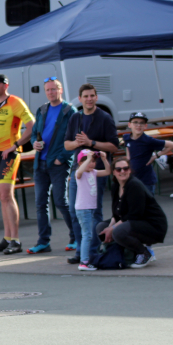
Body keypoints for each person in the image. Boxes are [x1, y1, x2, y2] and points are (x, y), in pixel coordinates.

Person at [64, 84, 119, 265]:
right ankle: (81, 252)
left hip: (96, 173)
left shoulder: (105, 118)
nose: (89, 99)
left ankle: (92, 252)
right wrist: (78, 143)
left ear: (96, 97)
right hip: (78, 171)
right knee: (75, 211)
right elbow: (67, 145)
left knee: (94, 212)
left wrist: (91, 143)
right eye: (86, 96)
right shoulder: (75, 117)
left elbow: (113, 146)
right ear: (79, 99)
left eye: (92, 96)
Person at [0, 74, 35, 255]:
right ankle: (7, 238)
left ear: (5, 85)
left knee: (6, 195)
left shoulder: (15, 102)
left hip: (9, 153)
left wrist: (16, 145)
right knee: (1, 196)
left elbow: (32, 126)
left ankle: (15, 240)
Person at [28, 77, 78, 254]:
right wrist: (34, 143)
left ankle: (76, 237)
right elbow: (34, 133)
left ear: (60, 90)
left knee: (61, 201)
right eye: (48, 90)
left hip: (58, 164)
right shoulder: (42, 109)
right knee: (40, 204)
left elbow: (76, 138)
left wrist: (61, 158)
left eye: (54, 89)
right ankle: (43, 242)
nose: (51, 92)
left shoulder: (70, 111)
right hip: (40, 162)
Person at [97, 156, 168, 269]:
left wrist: (113, 228)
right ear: (113, 172)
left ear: (130, 170)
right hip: (134, 221)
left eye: (125, 168)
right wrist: (109, 227)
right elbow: (116, 213)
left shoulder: (134, 185)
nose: (122, 171)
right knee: (101, 227)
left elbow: (135, 214)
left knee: (118, 231)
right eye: (118, 169)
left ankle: (144, 253)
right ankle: (122, 254)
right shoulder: (116, 186)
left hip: (152, 225)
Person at [73, 149, 111, 271]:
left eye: (93, 161)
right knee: (87, 235)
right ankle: (84, 262)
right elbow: (79, 171)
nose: (91, 164)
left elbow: (108, 171)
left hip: (89, 208)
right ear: (80, 163)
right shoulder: (79, 173)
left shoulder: (93, 172)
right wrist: (88, 158)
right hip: (83, 209)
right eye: (88, 161)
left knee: (88, 234)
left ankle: (85, 260)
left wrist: (104, 159)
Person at [123, 111, 173, 195]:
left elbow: (172, 145)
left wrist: (156, 156)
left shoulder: (148, 140)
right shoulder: (126, 137)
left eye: (142, 123)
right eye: (135, 122)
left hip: (146, 179)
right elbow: (128, 153)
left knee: (147, 201)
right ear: (129, 125)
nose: (138, 125)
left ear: (145, 126)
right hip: (132, 178)